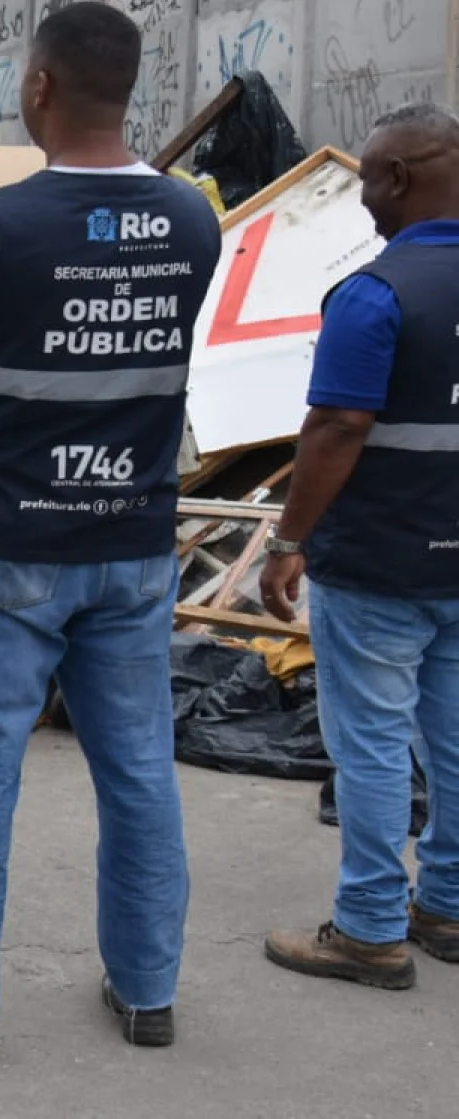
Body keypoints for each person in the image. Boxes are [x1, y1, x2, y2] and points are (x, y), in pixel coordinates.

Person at [0, 1, 222, 1066]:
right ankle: (149, 991)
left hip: (6, 546)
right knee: (141, 769)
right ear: (133, 89)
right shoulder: (197, 220)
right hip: (132, 541)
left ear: (39, 90)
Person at [259, 102, 459, 990]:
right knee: (454, 736)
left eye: (368, 180)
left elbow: (337, 425)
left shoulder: (374, 293)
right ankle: (447, 907)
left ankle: (370, 927)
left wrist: (288, 536)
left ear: (401, 178)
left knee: (373, 741)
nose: (364, 200)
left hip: (380, 562)